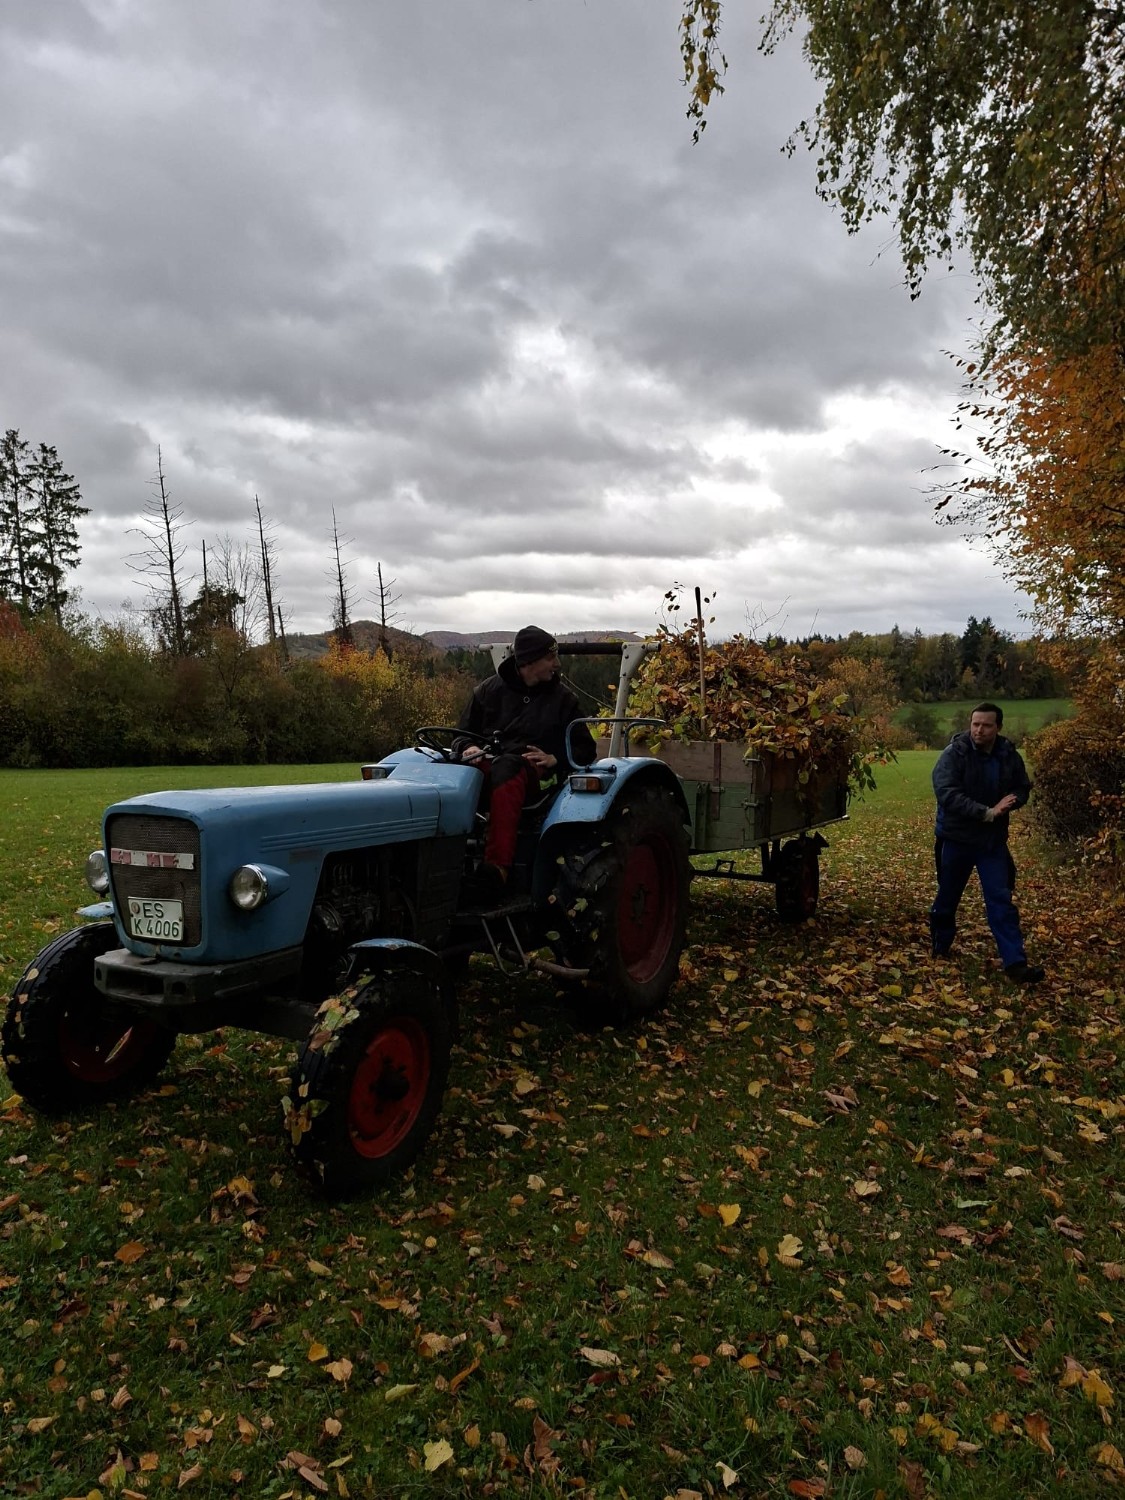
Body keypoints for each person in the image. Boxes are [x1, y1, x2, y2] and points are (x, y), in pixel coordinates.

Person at [457, 625, 598, 894]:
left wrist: (555, 758)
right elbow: (460, 736)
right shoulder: (487, 691)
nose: (556, 664)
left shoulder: (563, 700)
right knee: (438, 766)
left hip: (531, 778)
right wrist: (469, 747)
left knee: (507, 766)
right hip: (485, 767)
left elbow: (585, 749)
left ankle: (497, 870)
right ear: (528, 662)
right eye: (550, 658)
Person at [930, 702, 1045, 983]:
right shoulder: (954, 754)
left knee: (1000, 900)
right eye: (975, 724)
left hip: (991, 842)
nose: (979, 730)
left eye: (986, 725)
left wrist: (1011, 803)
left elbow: (1021, 787)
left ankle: (1015, 963)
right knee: (947, 898)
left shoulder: (1008, 755)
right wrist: (986, 812)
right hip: (956, 839)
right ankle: (940, 945)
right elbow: (947, 793)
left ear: (998, 728)